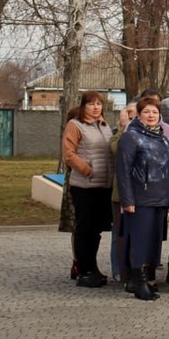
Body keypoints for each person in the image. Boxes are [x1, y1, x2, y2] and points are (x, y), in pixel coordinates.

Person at [116, 95, 169, 301]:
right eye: (146, 112)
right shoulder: (131, 137)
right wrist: (128, 200)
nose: (151, 116)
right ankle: (138, 281)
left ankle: (143, 279)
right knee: (140, 242)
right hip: (140, 197)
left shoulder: (162, 137)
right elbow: (123, 171)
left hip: (160, 198)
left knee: (153, 243)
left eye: (155, 112)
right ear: (139, 115)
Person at [62, 91, 113, 288]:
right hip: (84, 185)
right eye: (91, 104)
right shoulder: (75, 125)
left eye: (99, 104)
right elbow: (68, 153)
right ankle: (83, 270)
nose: (95, 107)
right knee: (85, 229)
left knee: (96, 230)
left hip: (103, 185)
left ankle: (93, 266)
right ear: (84, 106)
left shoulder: (105, 126)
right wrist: (86, 169)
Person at [109, 101, 136, 285]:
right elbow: (115, 150)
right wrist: (125, 128)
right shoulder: (117, 132)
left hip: (141, 193)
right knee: (119, 232)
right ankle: (119, 269)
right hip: (121, 193)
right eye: (130, 113)